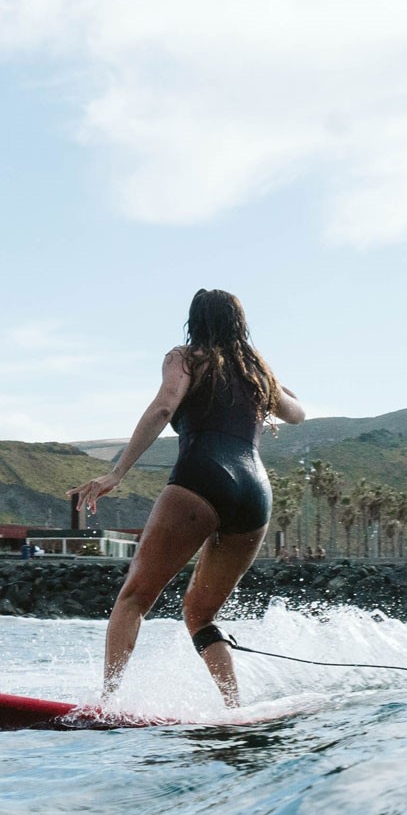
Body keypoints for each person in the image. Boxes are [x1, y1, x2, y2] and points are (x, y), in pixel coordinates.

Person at [68, 289, 304, 707]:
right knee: (201, 615)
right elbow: (297, 412)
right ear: (239, 325)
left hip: (203, 476)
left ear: (194, 322)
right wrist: (263, 371)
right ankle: (235, 708)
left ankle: (107, 702)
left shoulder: (185, 357)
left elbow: (164, 407)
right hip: (255, 493)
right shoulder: (256, 374)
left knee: (135, 597)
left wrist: (116, 471)